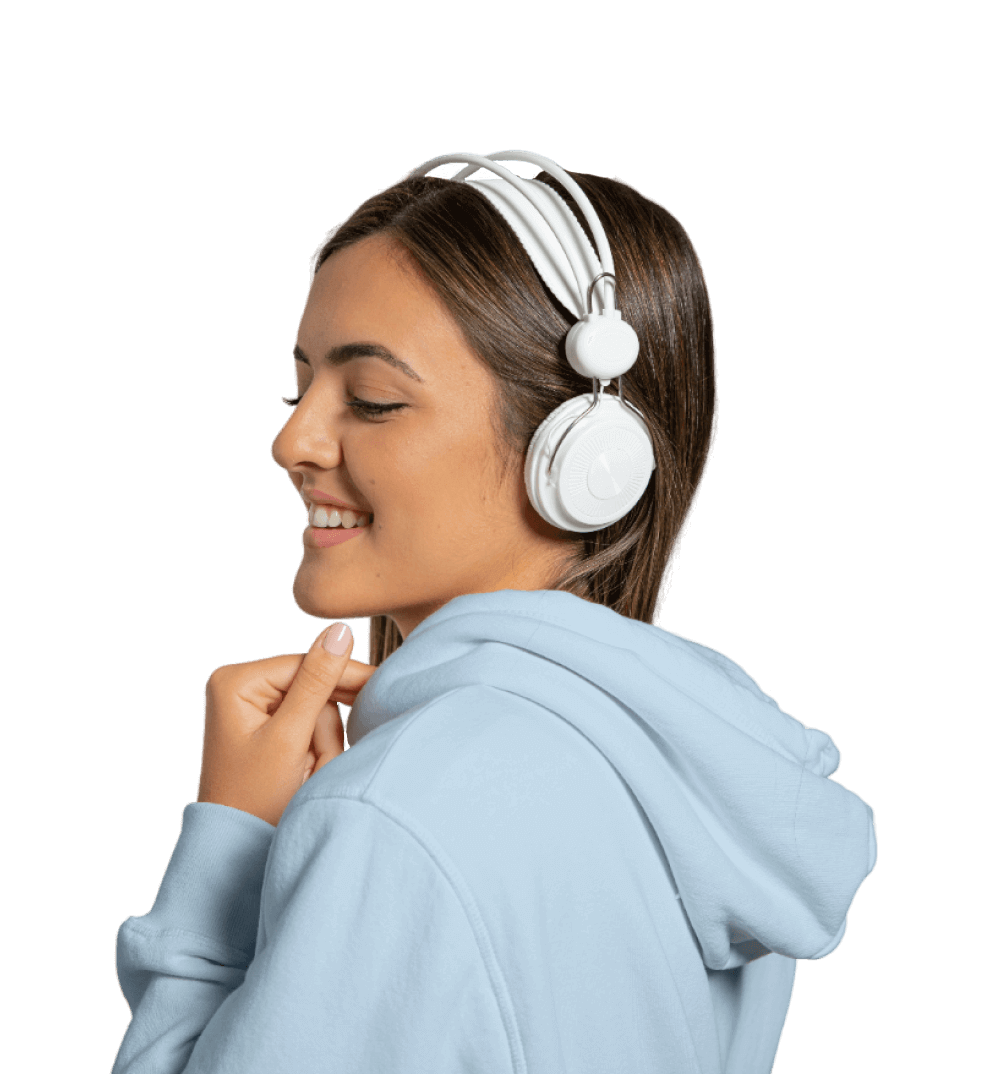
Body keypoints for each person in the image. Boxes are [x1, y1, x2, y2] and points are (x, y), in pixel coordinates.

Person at [111, 156, 877, 1072]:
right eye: (299, 385)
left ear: (583, 455)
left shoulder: (392, 813)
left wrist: (231, 849)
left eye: (373, 400)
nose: (291, 441)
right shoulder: (685, 782)